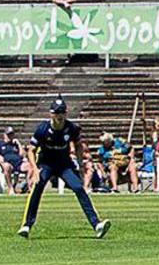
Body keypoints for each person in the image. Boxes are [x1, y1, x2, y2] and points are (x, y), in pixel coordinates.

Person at [18, 97, 109, 240]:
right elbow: (31, 150)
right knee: (38, 186)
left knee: (78, 188)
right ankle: (27, 225)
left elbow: (78, 145)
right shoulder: (42, 129)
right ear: (51, 114)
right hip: (46, 164)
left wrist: (79, 165)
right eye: (57, 113)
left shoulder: (71, 128)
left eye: (62, 112)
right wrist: (35, 170)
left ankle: (96, 224)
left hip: (64, 165)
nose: (60, 116)